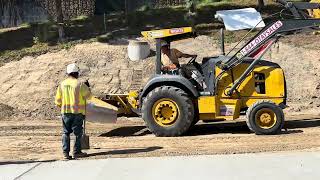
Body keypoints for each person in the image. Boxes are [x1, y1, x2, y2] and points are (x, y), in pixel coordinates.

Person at [55, 63, 92, 160]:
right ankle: (76, 152)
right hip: (77, 113)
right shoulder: (79, 84)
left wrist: (63, 107)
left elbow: (58, 101)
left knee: (65, 132)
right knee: (77, 133)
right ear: (76, 73)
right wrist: (87, 87)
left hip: (65, 113)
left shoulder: (62, 84)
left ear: (68, 73)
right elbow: (89, 97)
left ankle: (65, 153)